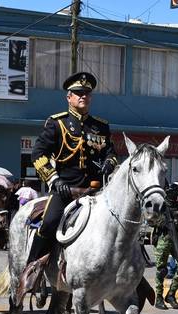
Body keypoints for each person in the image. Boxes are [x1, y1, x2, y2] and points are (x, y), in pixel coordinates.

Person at [17, 71, 118, 296]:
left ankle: (130, 275)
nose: (84, 96)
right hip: (66, 190)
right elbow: (38, 154)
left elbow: (111, 152)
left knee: (120, 223)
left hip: (95, 191)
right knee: (49, 222)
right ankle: (32, 270)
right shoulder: (57, 123)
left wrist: (110, 163)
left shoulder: (100, 127)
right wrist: (55, 179)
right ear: (69, 97)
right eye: (78, 93)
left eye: (87, 93)